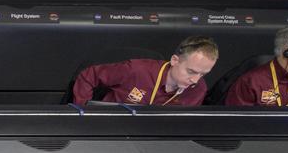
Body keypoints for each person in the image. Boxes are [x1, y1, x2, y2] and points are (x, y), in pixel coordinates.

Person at [72, 35, 219, 106]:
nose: (195, 80)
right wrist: (83, 112)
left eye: (203, 74)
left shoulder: (199, 89)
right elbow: (88, 76)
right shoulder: (136, 70)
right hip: (112, 128)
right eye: (191, 72)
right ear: (175, 60)